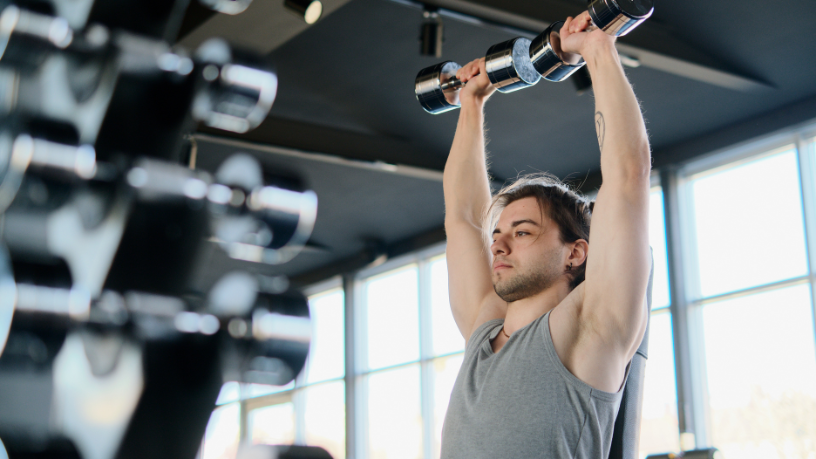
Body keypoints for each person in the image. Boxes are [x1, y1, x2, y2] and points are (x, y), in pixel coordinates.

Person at [439, 11, 652, 458]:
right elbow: (462, 218)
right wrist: (472, 104)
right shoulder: (483, 329)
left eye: (522, 232)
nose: (497, 243)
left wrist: (597, 49)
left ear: (576, 253)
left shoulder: (589, 328)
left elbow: (627, 177)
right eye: (499, 232)